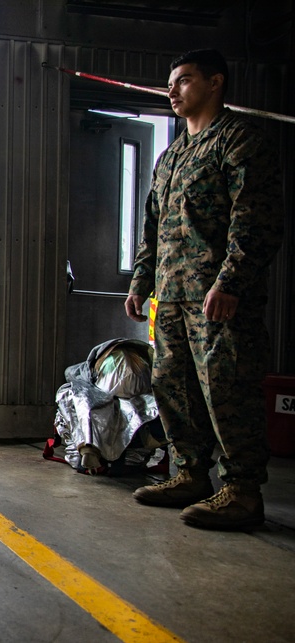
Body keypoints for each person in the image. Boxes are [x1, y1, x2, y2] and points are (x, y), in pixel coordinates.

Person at [125, 50, 284, 530]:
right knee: (172, 386)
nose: (173, 91)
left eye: (184, 81)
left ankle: (242, 491)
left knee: (226, 389)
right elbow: (151, 226)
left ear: (216, 83)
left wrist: (231, 282)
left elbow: (253, 222)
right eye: (170, 84)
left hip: (216, 297)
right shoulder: (172, 155)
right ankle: (191, 475)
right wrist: (142, 280)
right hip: (171, 298)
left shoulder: (239, 142)